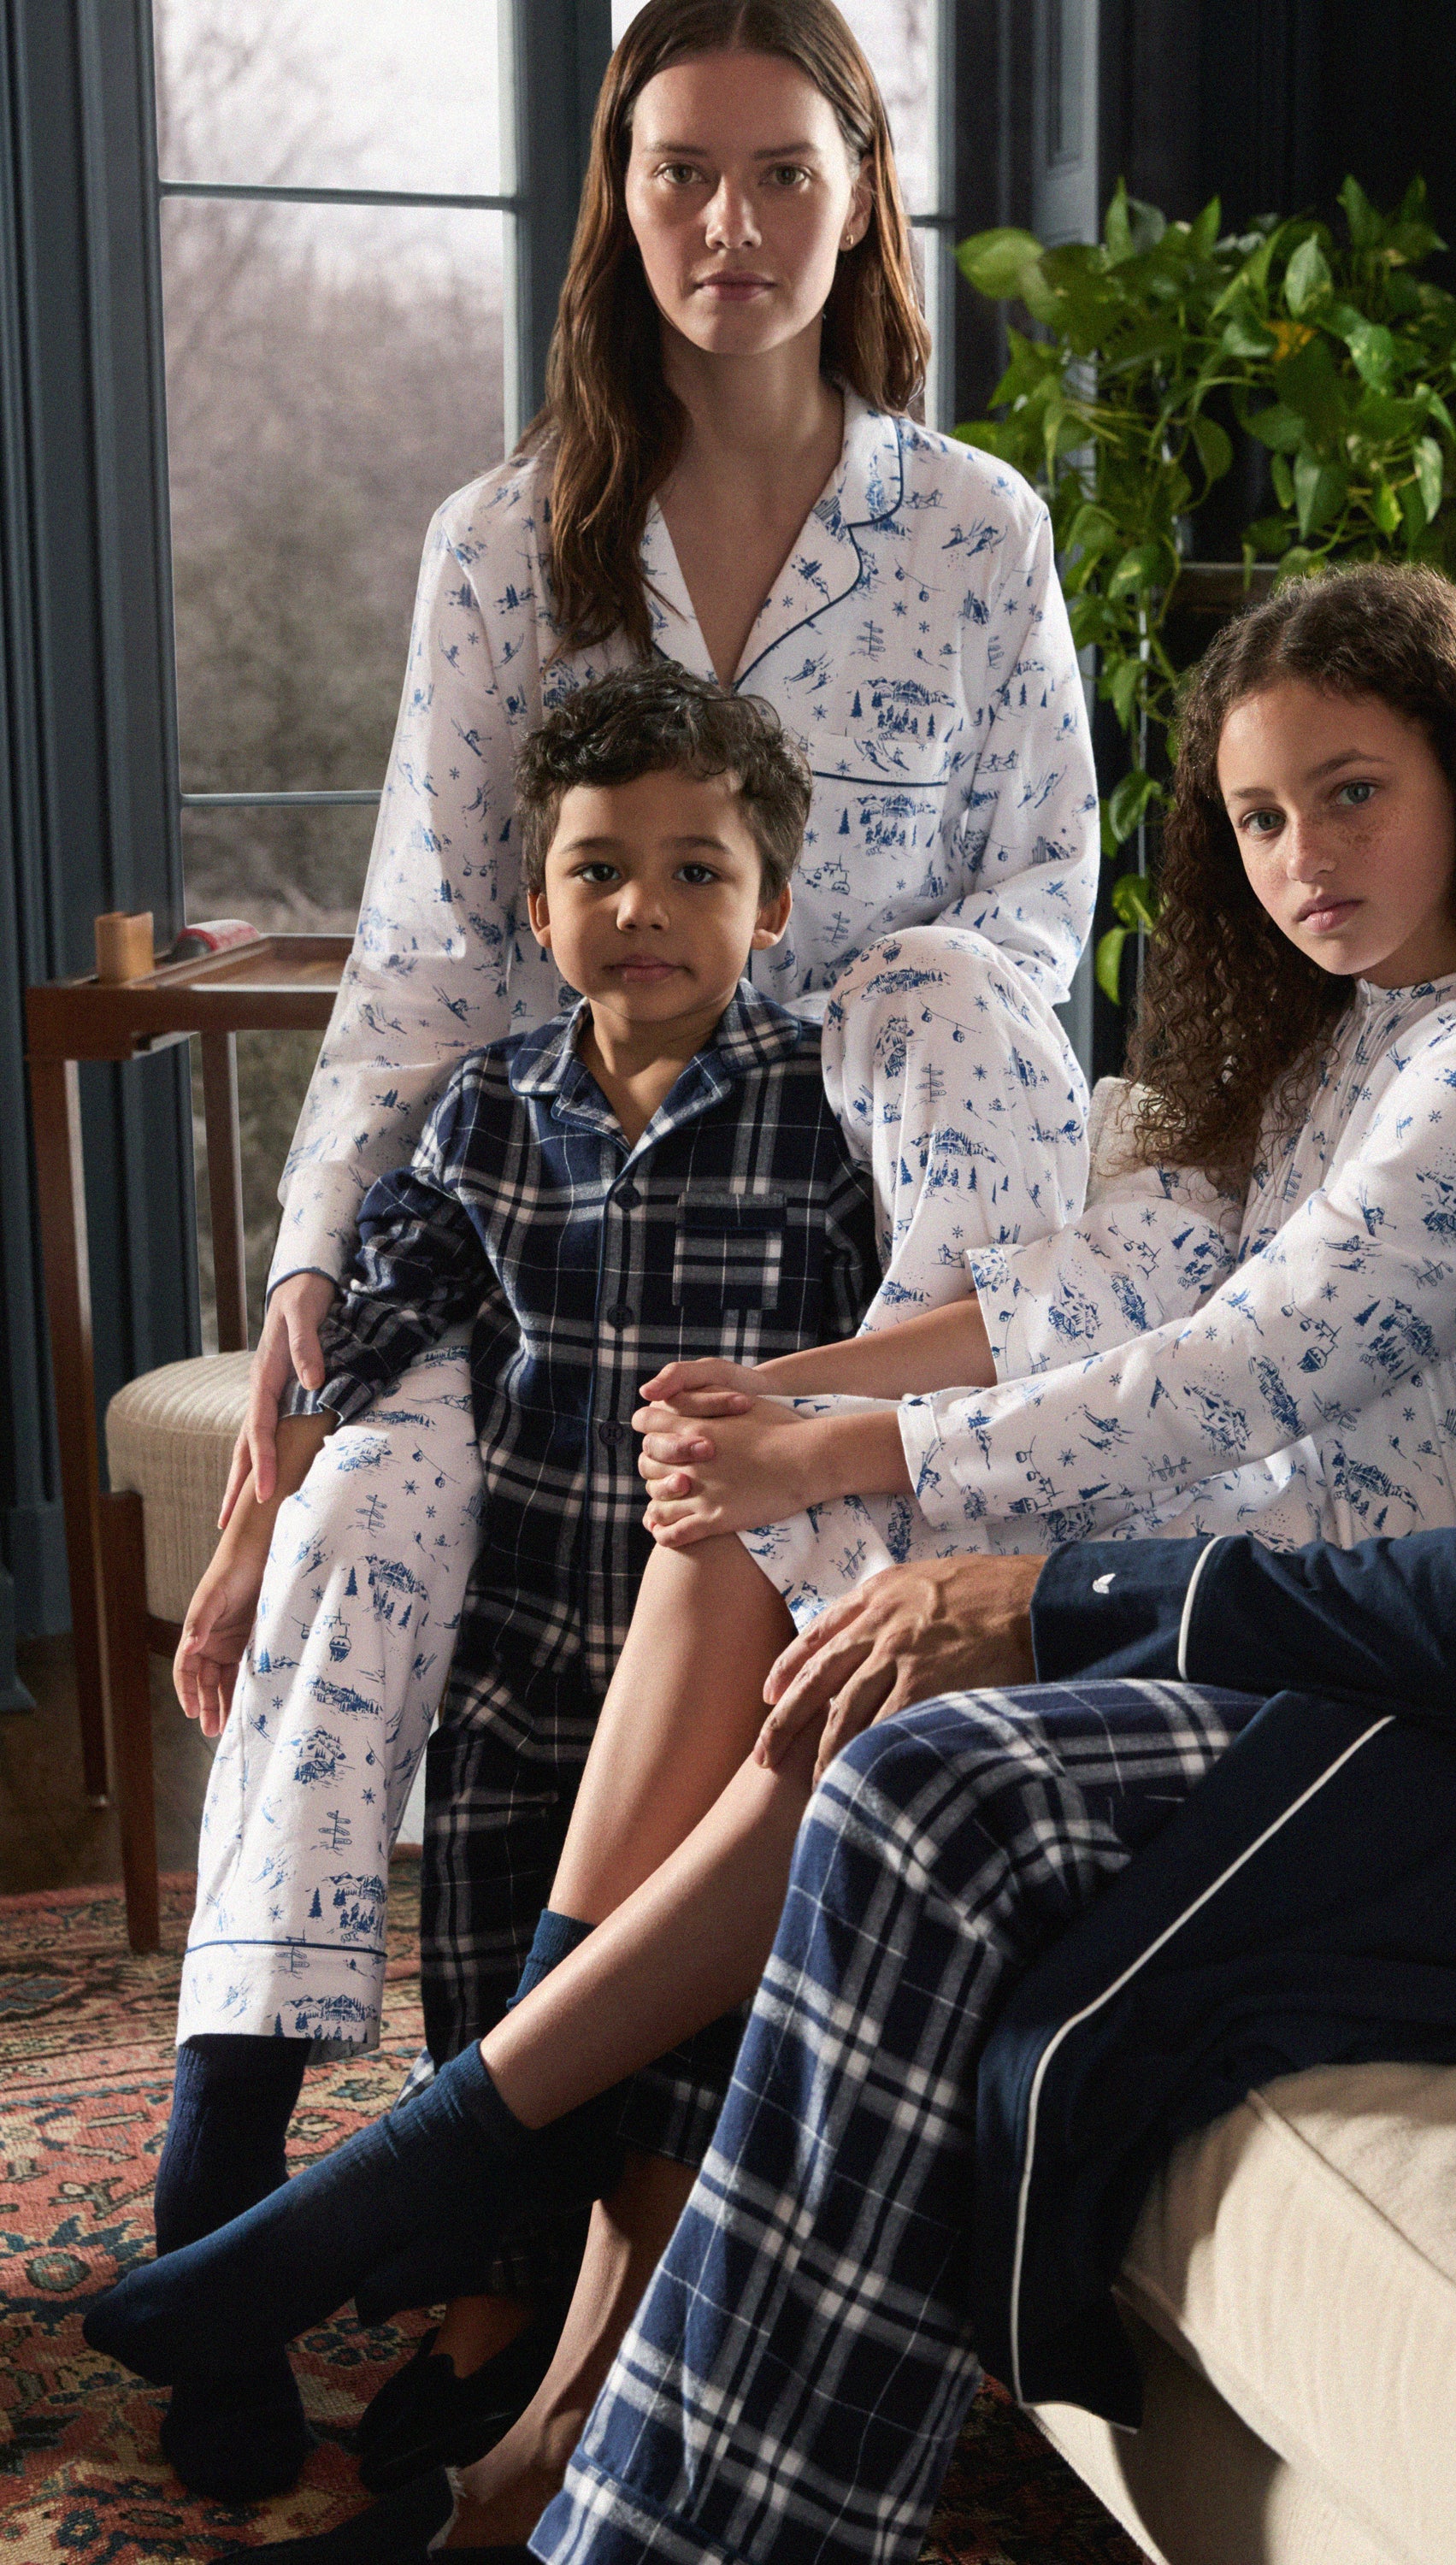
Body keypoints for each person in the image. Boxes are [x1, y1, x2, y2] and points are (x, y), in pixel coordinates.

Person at [88, 561, 1456, 2551]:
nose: (1302, 860)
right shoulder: (1348, 1037)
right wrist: (778, 1401)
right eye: (1261, 819)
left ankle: (430, 2177)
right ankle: (521, 2366)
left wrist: (852, 1444)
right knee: (741, 1540)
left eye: (1350, 795)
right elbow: (1089, 1286)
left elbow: (1231, 1375)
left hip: (1329, 1634)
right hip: (1226, 1552)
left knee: (820, 1603)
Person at [159, 0, 1096, 2494]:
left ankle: (546, 2218)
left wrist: (860, 1047)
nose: (731, 223)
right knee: (362, 1511)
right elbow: (426, 953)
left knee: (729, 1519)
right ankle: (236, 2161)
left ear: (862, 193)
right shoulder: (511, 539)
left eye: (783, 170)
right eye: (680, 171)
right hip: (539, 1168)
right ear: (622, 204)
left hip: (846, 1214)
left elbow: (1045, 905)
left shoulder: (978, 530)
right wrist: (309, 1299)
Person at [153, 663, 882, 2497]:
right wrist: (250, 1539)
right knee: (487, 1961)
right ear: (539, 903)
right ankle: (488, 2298)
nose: (644, 910)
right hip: (518, 1629)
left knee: (664, 1990)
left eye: (697, 871)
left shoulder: (824, 1115)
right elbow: (372, 1343)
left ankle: (612, 2294)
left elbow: (892, 1349)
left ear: (771, 904)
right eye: (600, 871)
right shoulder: (488, 1114)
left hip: (716, 1645)